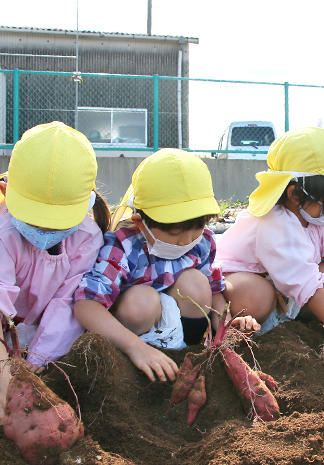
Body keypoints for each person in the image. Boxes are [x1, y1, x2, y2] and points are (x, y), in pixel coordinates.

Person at [0, 121, 109, 427]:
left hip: (47, 338)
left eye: (58, 222)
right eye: (35, 220)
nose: (46, 230)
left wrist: (34, 362)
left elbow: (68, 304)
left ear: (86, 203)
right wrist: (1, 376)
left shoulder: (87, 237)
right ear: (5, 192)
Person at [73, 149, 259, 384]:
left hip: (180, 322)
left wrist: (226, 324)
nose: (187, 240)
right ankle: (140, 359)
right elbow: (86, 303)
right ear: (141, 222)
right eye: (174, 233)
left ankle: (187, 353)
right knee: (142, 302)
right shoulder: (124, 247)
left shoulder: (202, 242)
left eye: (198, 227)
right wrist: (136, 348)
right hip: (135, 333)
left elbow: (213, 289)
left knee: (196, 282)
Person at [216, 127, 324, 342]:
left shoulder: (322, 212)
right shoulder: (274, 224)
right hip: (243, 281)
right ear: (296, 194)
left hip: (284, 285)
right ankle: (255, 329)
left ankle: (299, 325)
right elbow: (311, 292)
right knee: (258, 296)